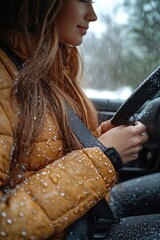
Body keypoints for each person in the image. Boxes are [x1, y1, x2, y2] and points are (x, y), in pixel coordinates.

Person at [0, 0, 159, 239]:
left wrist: (100, 137)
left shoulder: (48, 67)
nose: (93, 15)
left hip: (82, 213)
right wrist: (105, 156)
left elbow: (47, 159)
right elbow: (6, 223)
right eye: (83, 0)